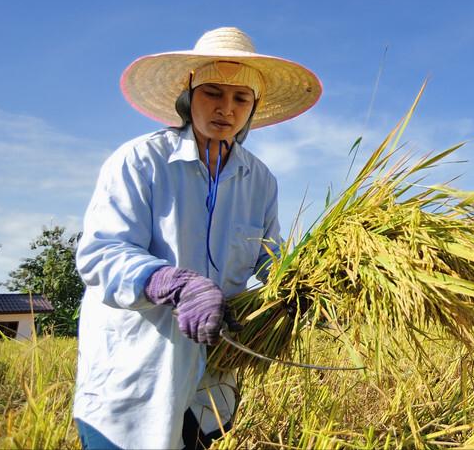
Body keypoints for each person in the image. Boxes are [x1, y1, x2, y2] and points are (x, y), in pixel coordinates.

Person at [72, 27, 322, 450]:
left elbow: (269, 259)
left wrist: (312, 283)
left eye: (241, 98)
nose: (226, 108)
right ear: (189, 97)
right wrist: (173, 283)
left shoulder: (259, 180)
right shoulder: (141, 161)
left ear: (253, 108)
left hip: (212, 391)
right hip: (135, 377)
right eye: (213, 93)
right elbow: (101, 254)